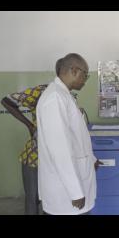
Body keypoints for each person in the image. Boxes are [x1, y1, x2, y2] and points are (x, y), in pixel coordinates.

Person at [36, 53, 101, 215]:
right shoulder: (55, 98)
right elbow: (60, 149)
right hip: (65, 193)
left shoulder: (63, 95)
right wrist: (75, 192)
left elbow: (75, 137)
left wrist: (90, 159)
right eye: (85, 74)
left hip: (74, 183)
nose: (85, 80)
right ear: (73, 70)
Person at [1, 84, 48, 215]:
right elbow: (7, 101)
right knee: (33, 199)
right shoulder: (43, 91)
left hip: (54, 159)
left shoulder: (69, 96)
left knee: (52, 199)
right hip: (34, 156)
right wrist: (29, 125)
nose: (83, 80)